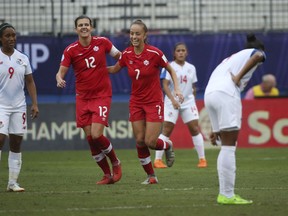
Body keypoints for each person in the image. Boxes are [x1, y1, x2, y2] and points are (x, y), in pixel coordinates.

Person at [108, 20, 183, 184]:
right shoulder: (126, 54)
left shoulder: (155, 53)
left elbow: (171, 70)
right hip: (136, 102)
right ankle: (151, 177)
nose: (134, 36)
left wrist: (177, 89)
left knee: (150, 142)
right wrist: (95, 69)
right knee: (140, 141)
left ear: (144, 35)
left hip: (153, 102)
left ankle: (167, 145)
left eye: (137, 33)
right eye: (132, 33)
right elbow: (114, 69)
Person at [56, 15, 122, 185]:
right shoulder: (71, 50)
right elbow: (61, 71)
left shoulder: (103, 42)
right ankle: (107, 175)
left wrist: (115, 68)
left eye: (86, 25)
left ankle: (115, 162)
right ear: (76, 29)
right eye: (80, 25)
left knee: (96, 134)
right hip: (83, 98)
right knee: (90, 138)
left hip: (101, 95)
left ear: (91, 28)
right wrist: (59, 78)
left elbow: (119, 56)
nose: (84, 27)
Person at [204, 33, 266, 204]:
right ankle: (227, 195)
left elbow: (213, 89)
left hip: (210, 95)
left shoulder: (228, 60)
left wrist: (215, 128)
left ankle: (225, 194)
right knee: (229, 147)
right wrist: (238, 78)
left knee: (225, 146)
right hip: (227, 93)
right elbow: (259, 56)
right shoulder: (256, 51)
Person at [154, 42, 207, 169]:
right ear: (174, 53)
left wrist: (192, 99)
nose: (181, 52)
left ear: (186, 52)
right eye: (178, 50)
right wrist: (172, 99)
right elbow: (165, 85)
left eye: (183, 50)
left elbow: (193, 86)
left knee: (194, 128)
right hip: (172, 101)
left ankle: (202, 159)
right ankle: (157, 160)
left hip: (188, 101)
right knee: (166, 130)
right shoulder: (169, 67)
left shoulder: (191, 68)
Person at [0, 23, 39, 192]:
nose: (11, 38)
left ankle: (12, 183)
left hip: (19, 106)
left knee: (16, 142)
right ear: (1, 39)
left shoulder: (23, 58)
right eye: (7, 36)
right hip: (1, 106)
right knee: (0, 139)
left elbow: (29, 81)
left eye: (13, 35)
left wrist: (35, 104)